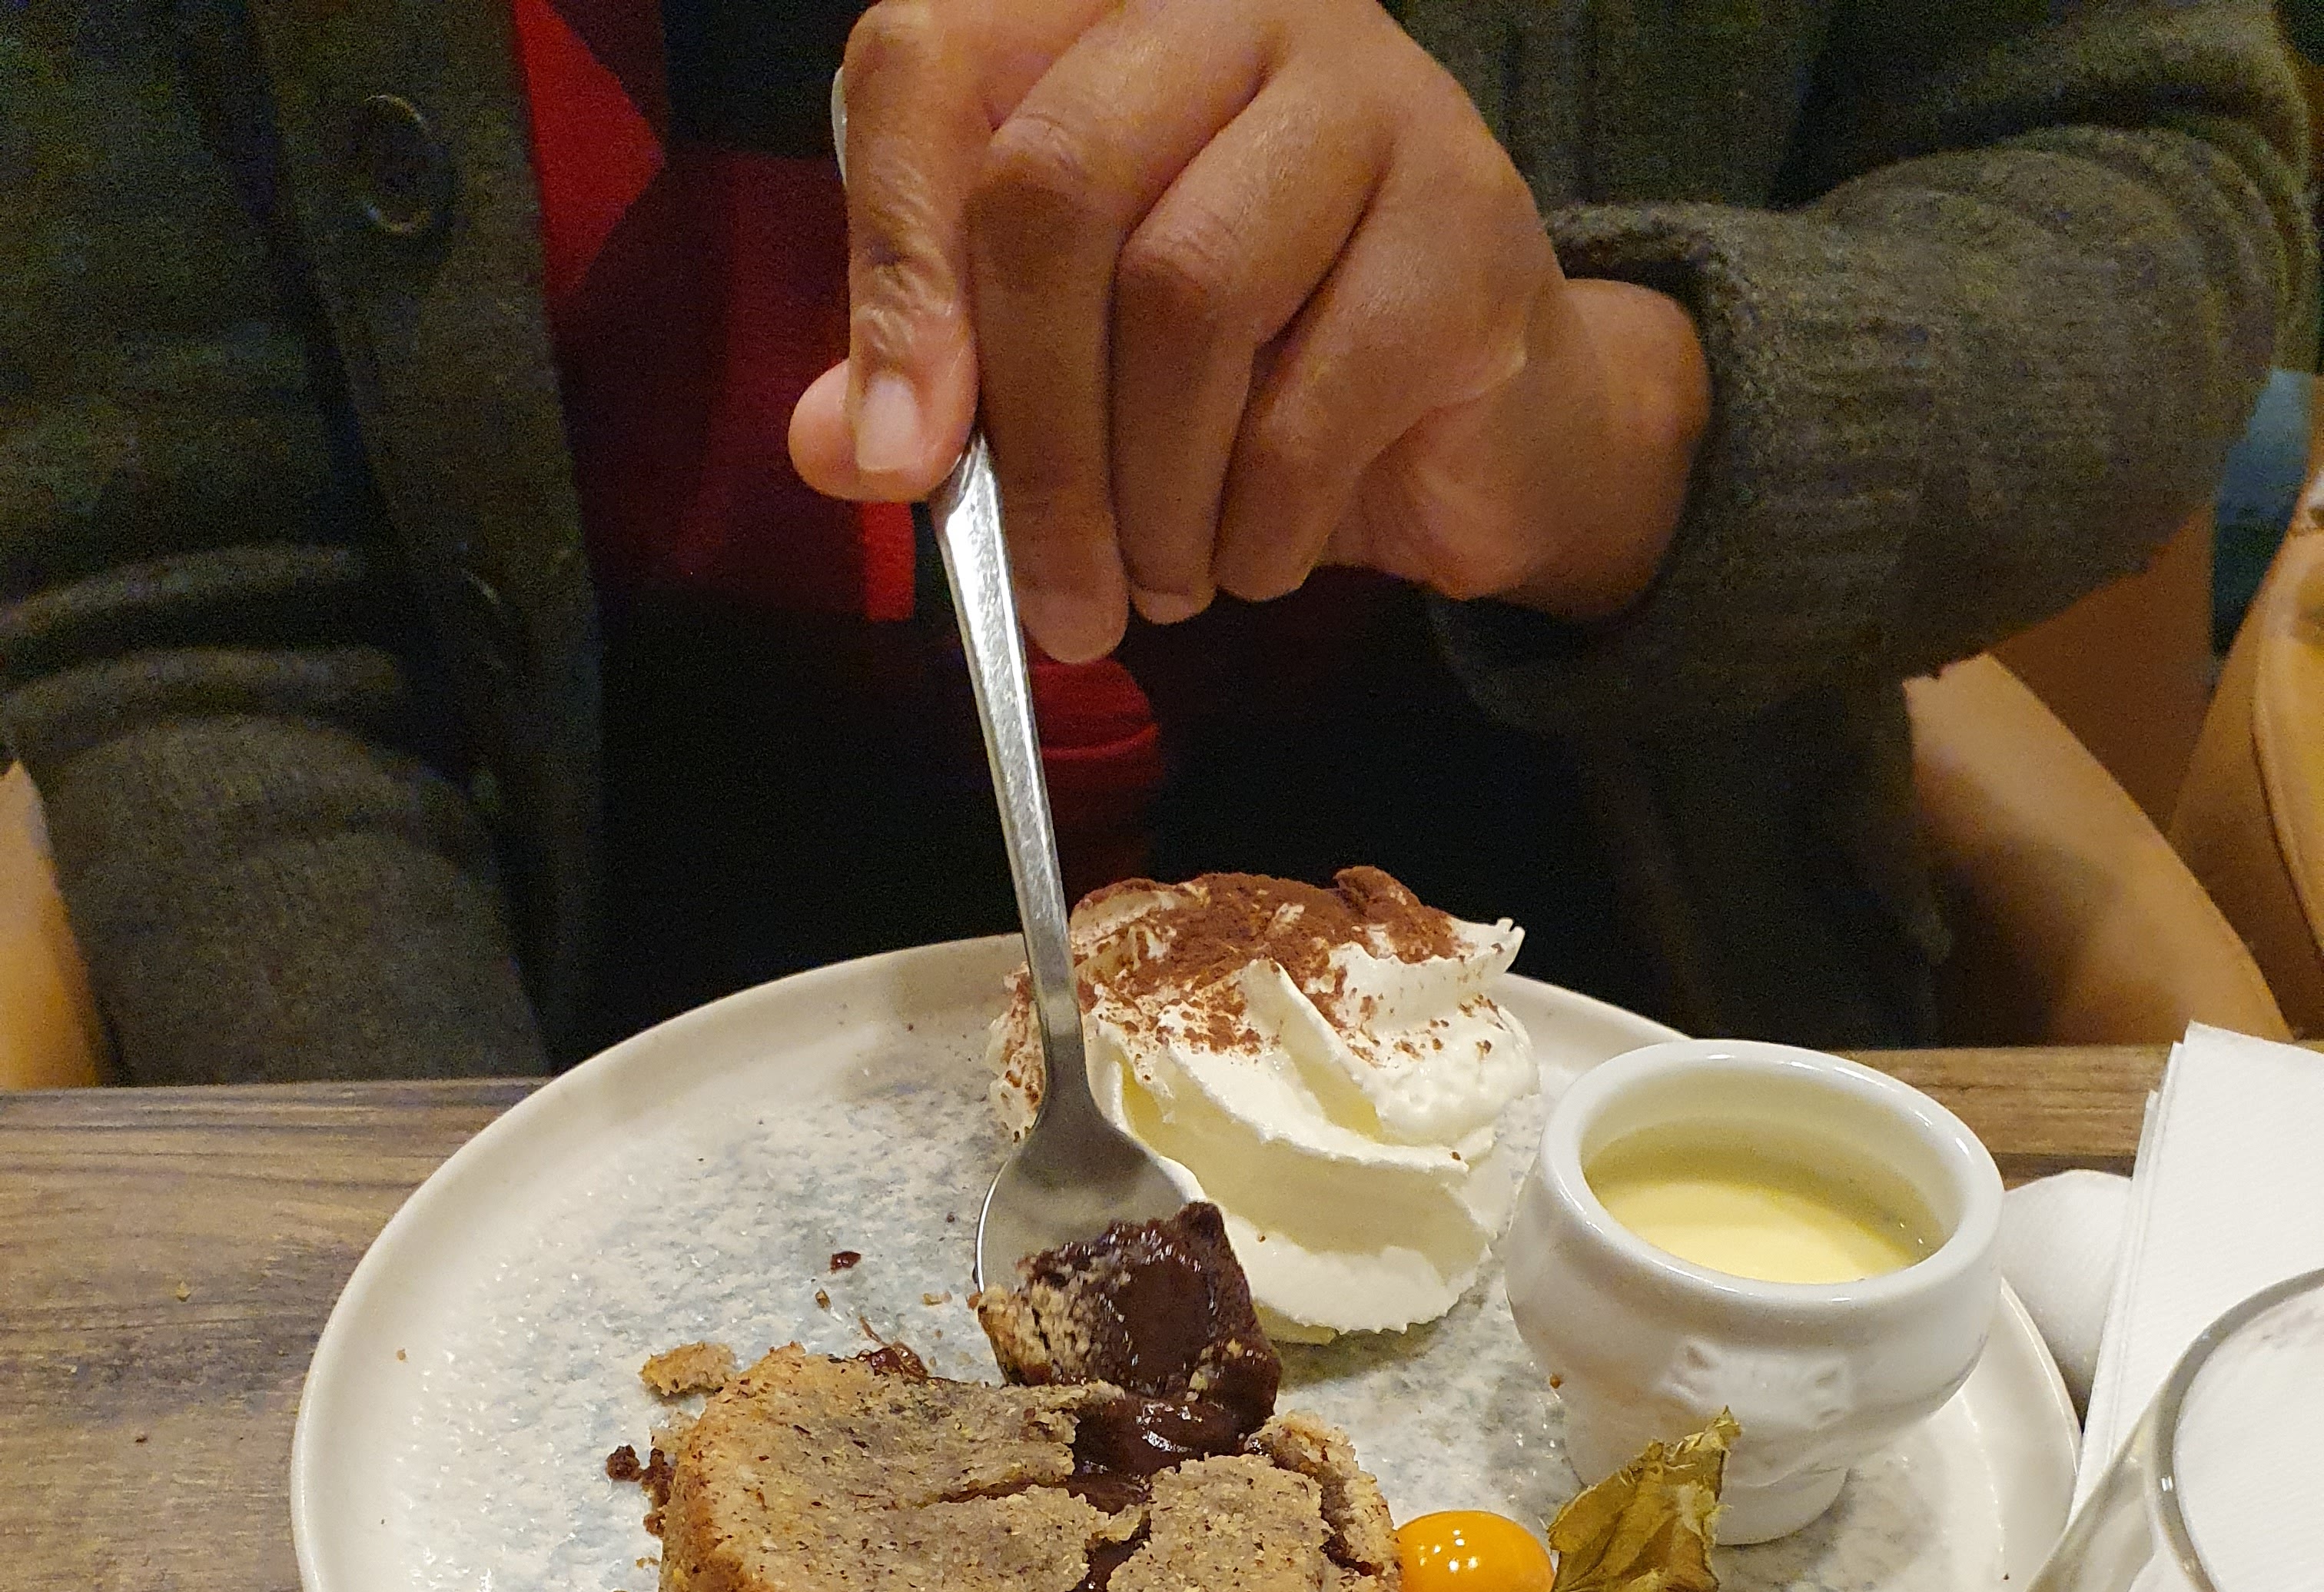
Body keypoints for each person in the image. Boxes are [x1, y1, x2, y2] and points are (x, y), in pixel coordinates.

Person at [0, 0, 2306, 1082]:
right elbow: (203, 606)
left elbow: (2156, 178)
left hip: (1632, 1030)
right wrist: (448, 1285)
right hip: (579, 1030)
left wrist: (1604, 414)